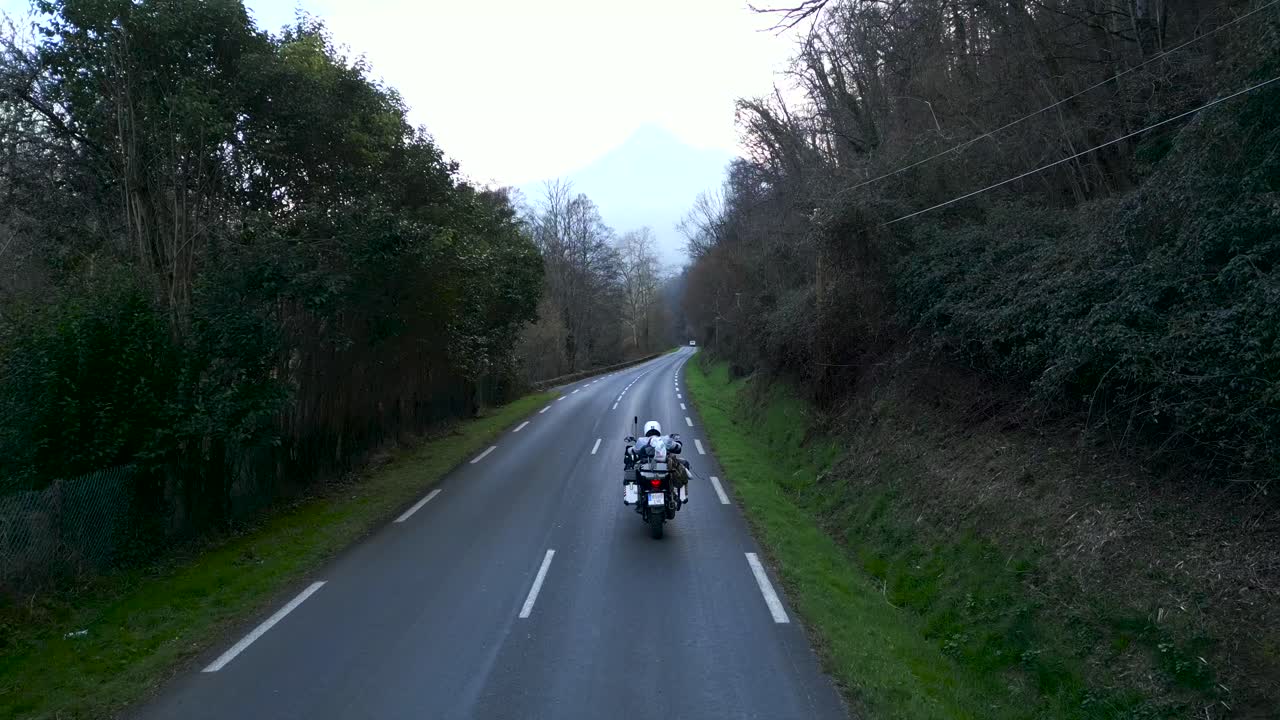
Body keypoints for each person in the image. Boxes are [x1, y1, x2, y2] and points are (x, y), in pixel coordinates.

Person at [624, 420, 689, 502]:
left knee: (631, 466)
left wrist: (628, 449)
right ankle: (681, 494)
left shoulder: (641, 441)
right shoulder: (665, 439)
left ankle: (634, 496)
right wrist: (677, 443)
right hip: (664, 470)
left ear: (646, 430)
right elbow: (678, 447)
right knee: (683, 465)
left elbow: (632, 451)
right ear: (659, 429)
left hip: (646, 471)